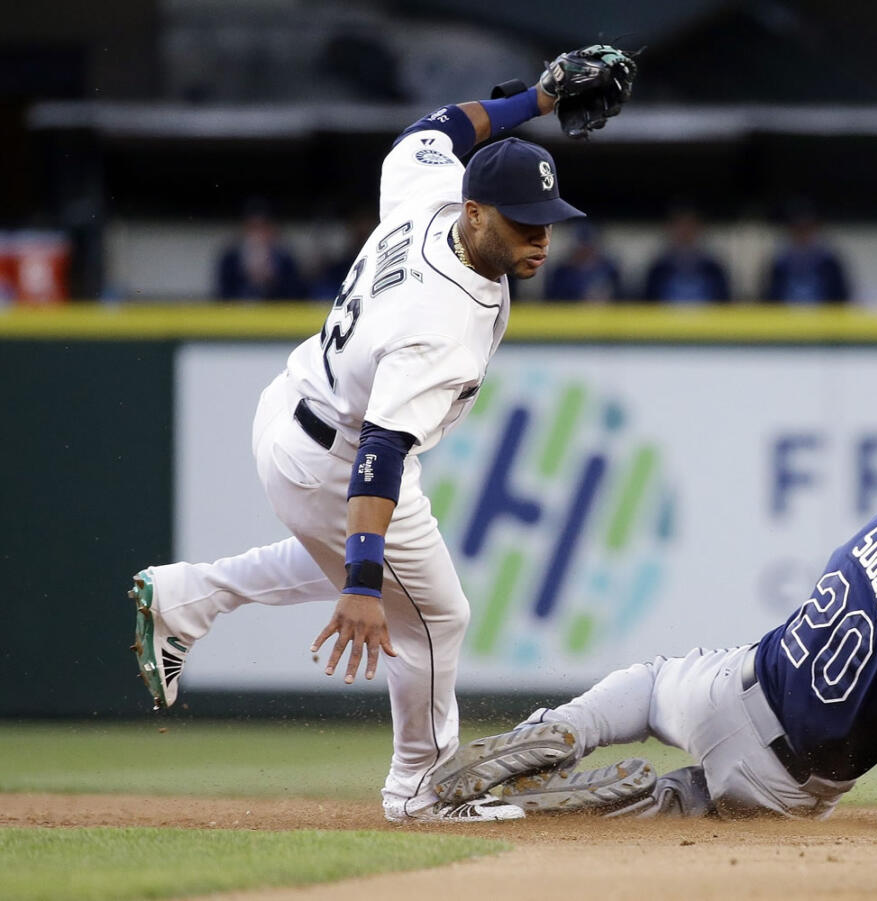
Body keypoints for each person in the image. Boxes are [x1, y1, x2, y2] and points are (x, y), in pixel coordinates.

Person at [128, 45, 638, 823]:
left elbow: (432, 127)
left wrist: (536, 98)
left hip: (294, 411)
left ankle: (188, 596)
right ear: (476, 213)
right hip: (340, 454)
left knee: (356, 559)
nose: (541, 238)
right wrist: (363, 586)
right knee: (434, 616)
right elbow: (380, 456)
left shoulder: (430, 191)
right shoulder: (442, 323)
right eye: (523, 221)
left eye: (549, 221)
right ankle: (420, 789)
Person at [430, 447, 877, 819]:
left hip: (731, 683)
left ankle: (561, 730)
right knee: (691, 812)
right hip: (775, 778)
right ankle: (625, 802)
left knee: (651, 683)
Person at [215, 199, 307, 301]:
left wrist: (272, 280)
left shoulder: (286, 260)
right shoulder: (230, 259)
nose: (258, 235)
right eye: (253, 228)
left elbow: (296, 298)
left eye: (263, 228)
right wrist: (246, 277)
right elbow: (223, 297)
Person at [763, 203, 852, 304]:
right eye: (799, 230)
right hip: (786, 317)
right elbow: (770, 299)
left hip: (823, 316)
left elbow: (841, 298)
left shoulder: (829, 262)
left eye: (807, 229)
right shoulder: (780, 263)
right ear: (791, 231)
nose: (803, 236)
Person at [643, 207, 731, 304]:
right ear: (670, 229)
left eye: (690, 226)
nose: (685, 231)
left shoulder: (713, 269)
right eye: (679, 226)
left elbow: (724, 304)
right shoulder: (658, 270)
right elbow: (647, 304)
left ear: (699, 229)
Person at [544, 222, 623, 302]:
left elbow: (621, 296)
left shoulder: (609, 269)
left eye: (588, 244)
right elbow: (553, 298)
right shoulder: (562, 271)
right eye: (581, 245)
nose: (585, 249)